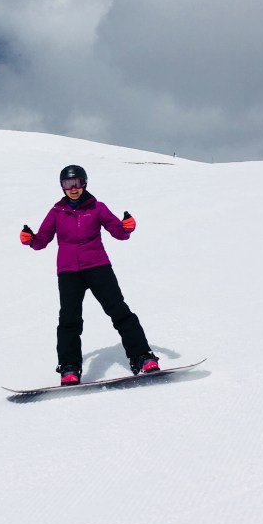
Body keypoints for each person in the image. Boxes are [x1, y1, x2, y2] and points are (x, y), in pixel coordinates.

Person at [20, 164, 160, 385]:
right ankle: (69, 367)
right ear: (62, 186)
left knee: (119, 311)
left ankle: (142, 356)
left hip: (97, 266)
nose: (73, 188)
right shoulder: (57, 212)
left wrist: (126, 228)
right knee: (69, 320)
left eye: (77, 183)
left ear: (84, 183)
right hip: (69, 272)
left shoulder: (97, 207)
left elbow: (118, 232)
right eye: (68, 184)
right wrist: (31, 239)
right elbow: (41, 241)